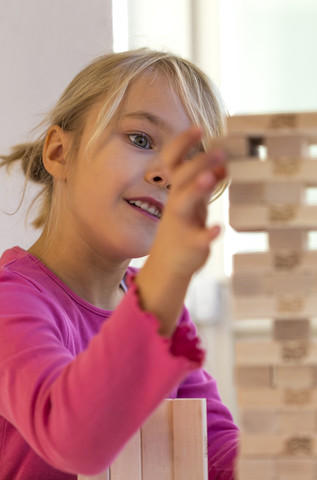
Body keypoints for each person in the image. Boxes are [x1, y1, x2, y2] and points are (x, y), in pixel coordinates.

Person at [0, 48, 238, 479]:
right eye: (141, 139)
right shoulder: (9, 303)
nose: (168, 174)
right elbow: (73, 441)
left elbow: (214, 451)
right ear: (58, 153)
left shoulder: (159, 306)